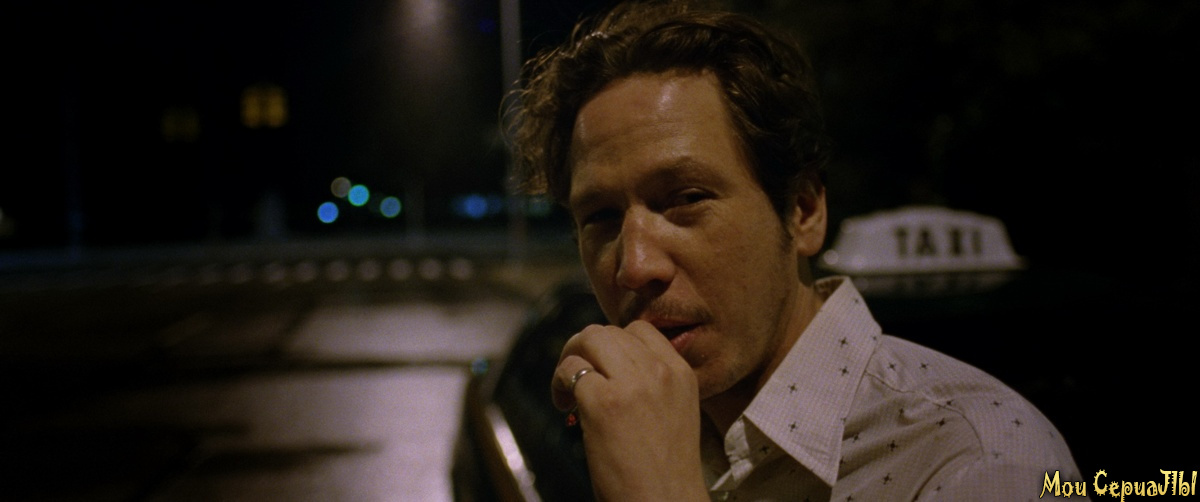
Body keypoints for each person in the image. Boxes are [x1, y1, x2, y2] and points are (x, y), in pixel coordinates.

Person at [508, 1, 1084, 499]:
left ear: (804, 211)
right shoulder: (634, 424)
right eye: (601, 217)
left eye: (686, 199)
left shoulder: (982, 464)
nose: (636, 267)